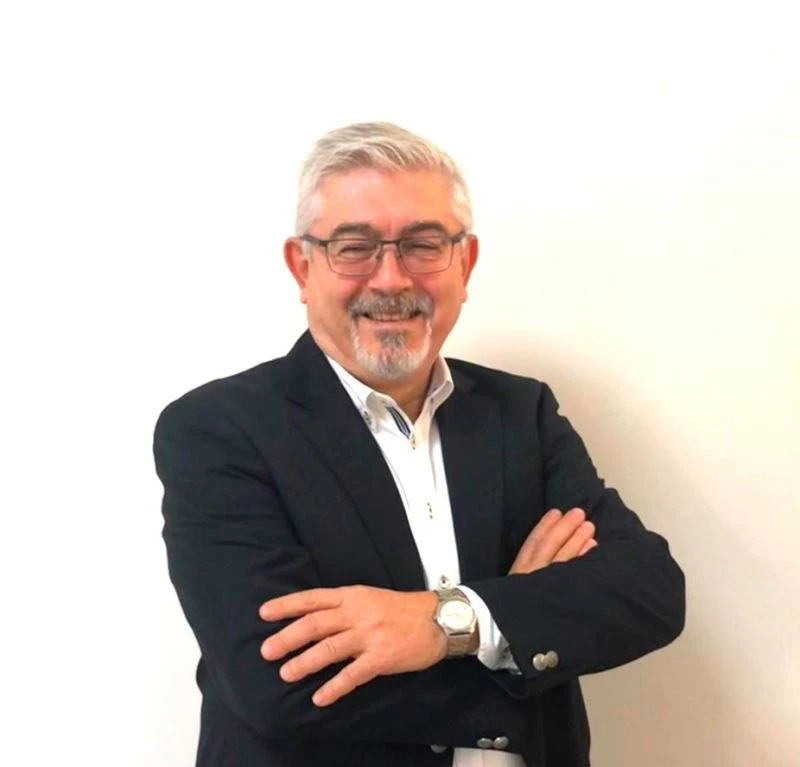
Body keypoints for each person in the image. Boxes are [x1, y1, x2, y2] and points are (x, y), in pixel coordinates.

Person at [153, 122, 685, 767]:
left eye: (423, 245)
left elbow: (649, 592)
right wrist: (519, 624)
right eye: (354, 247)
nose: (390, 279)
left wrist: (443, 622)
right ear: (303, 266)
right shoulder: (217, 430)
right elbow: (281, 685)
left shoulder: (522, 413)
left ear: (465, 263)